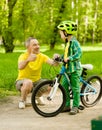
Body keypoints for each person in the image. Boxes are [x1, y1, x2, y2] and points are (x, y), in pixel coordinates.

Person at [15, 37, 58, 109]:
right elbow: (20, 67)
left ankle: (37, 97)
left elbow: (54, 64)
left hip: (37, 81)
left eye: (38, 44)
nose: (38, 46)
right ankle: (22, 101)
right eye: (34, 45)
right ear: (28, 47)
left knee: (52, 83)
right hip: (23, 81)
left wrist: (56, 58)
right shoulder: (23, 56)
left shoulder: (41, 56)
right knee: (28, 82)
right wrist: (28, 60)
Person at [57, 20, 82, 115]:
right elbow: (66, 55)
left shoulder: (75, 43)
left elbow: (79, 54)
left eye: (61, 33)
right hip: (67, 69)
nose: (60, 35)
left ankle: (76, 106)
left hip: (75, 69)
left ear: (66, 32)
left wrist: (70, 58)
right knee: (64, 86)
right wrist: (60, 57)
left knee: (75, 88)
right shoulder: (67, 43)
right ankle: (67, 105)